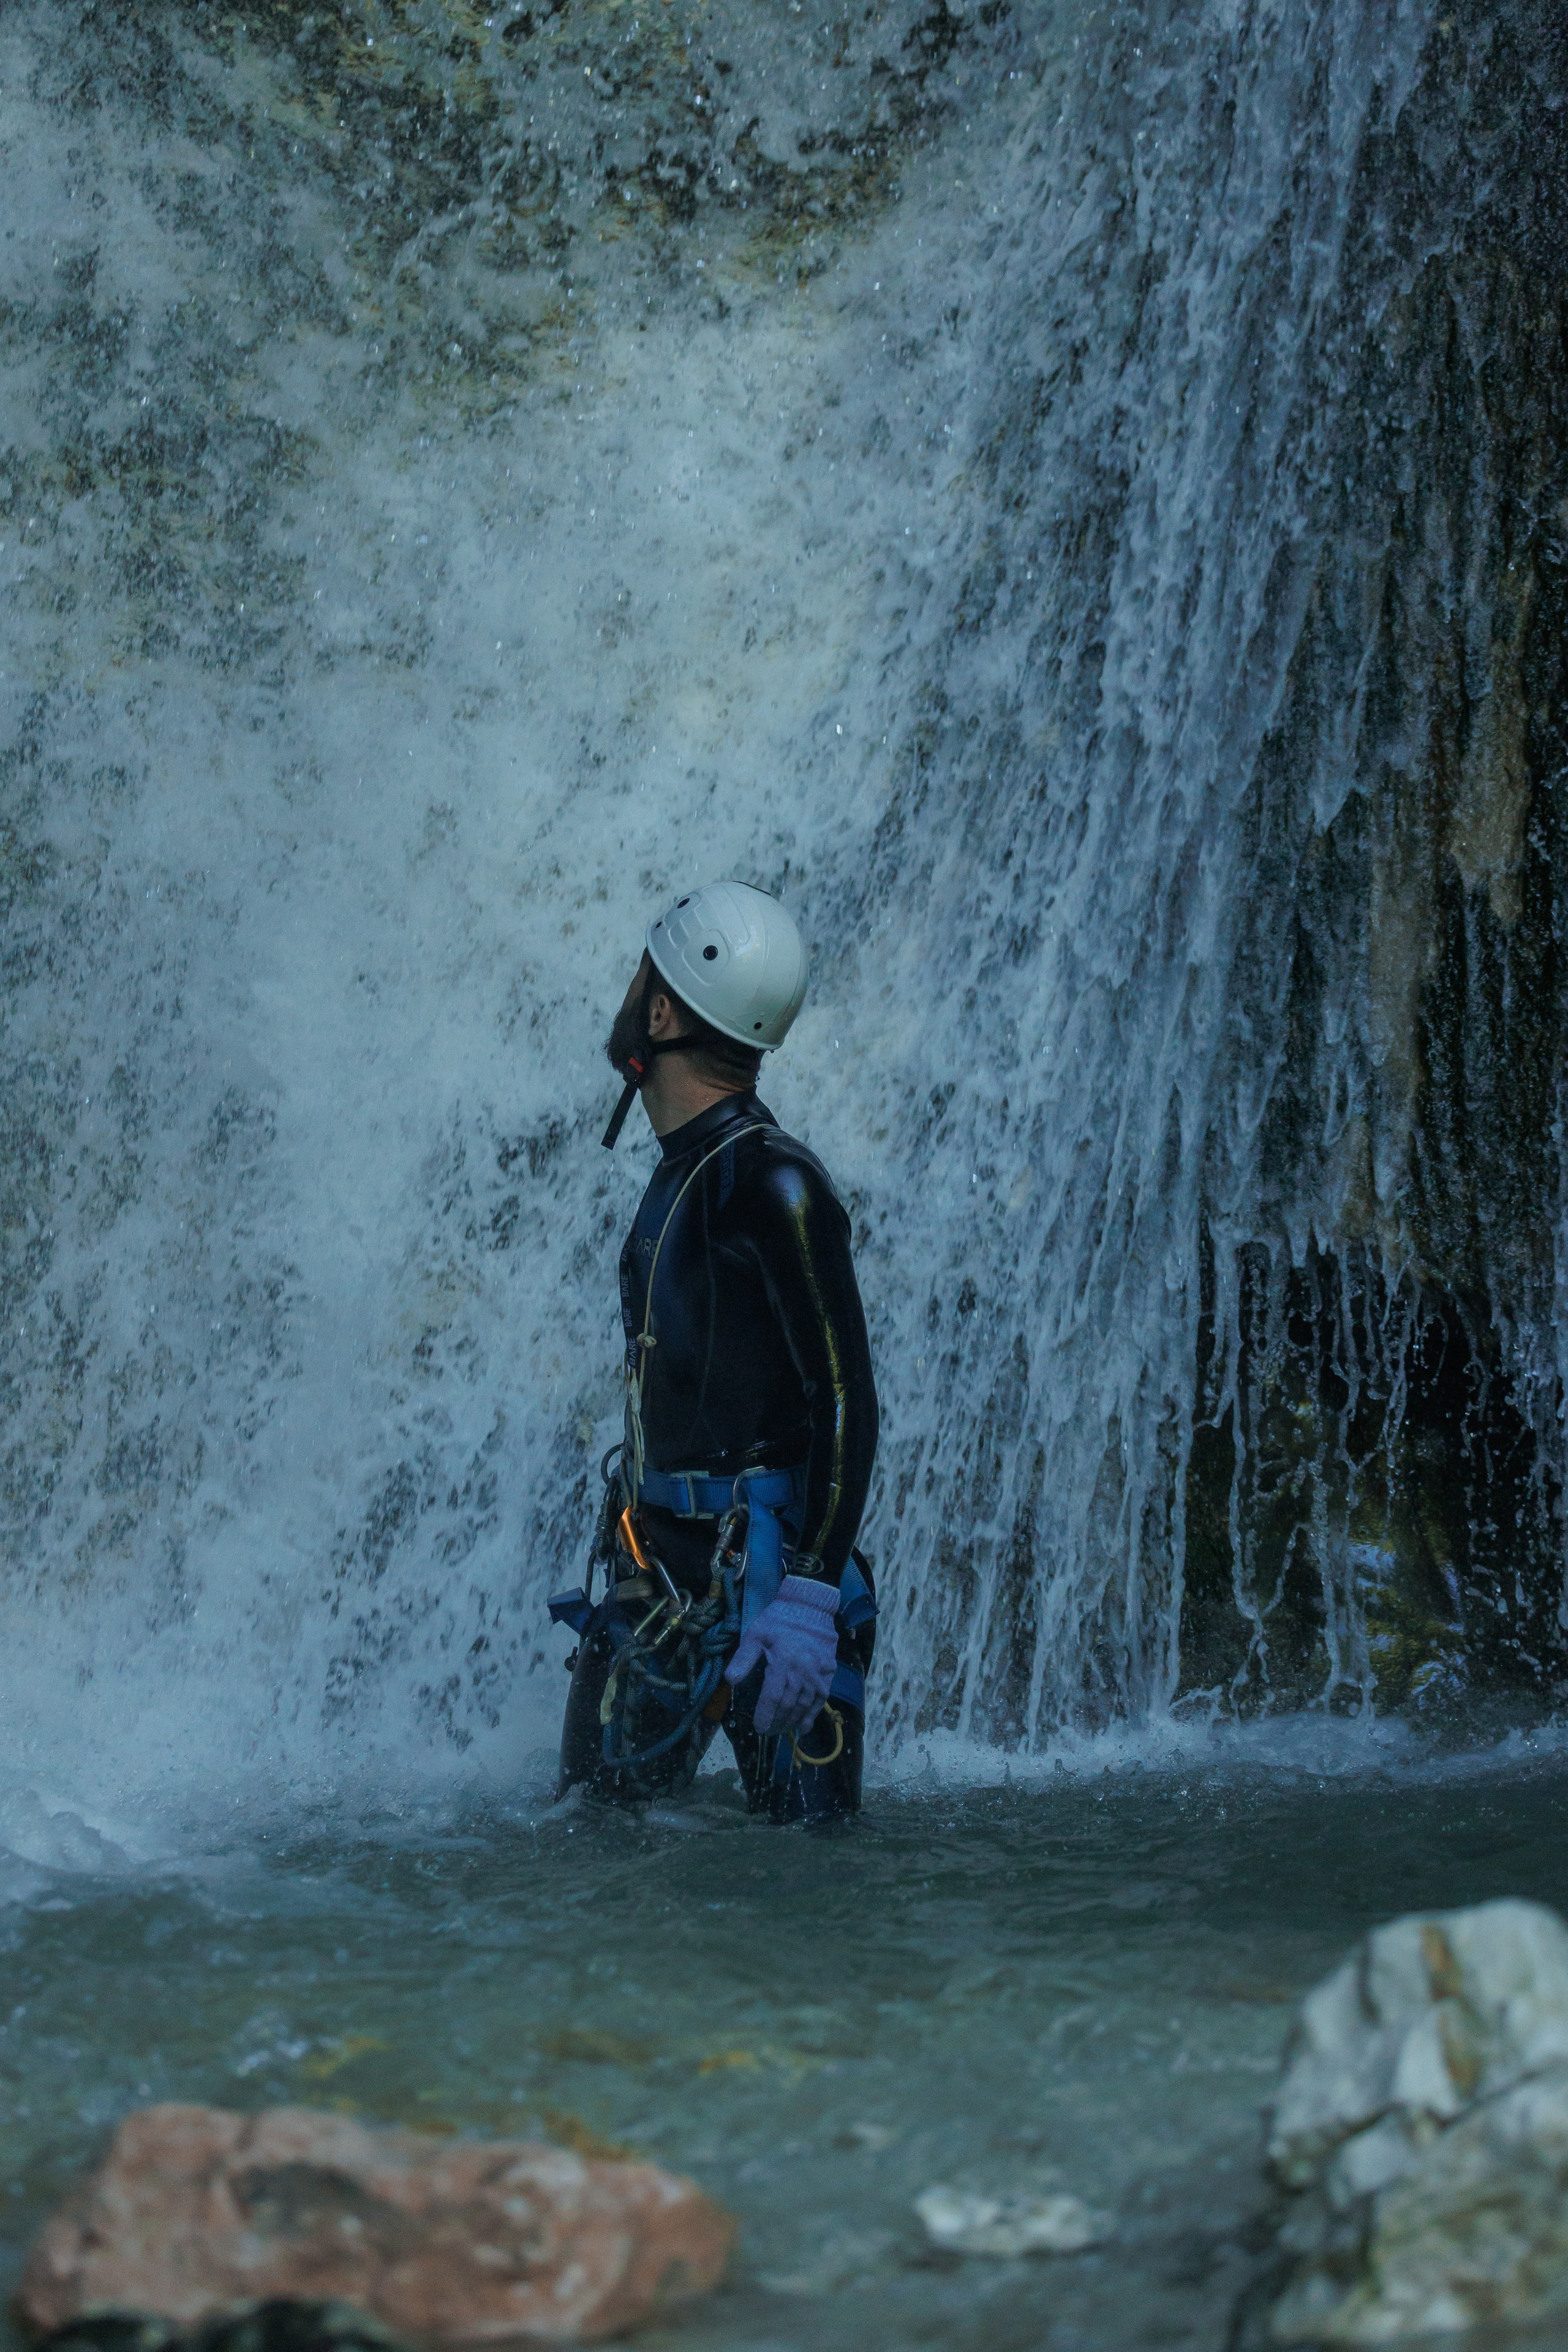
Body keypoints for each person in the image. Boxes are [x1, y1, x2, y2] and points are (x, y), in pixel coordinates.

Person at [550, 880, 880, 1822]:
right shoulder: (690, 1169)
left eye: (640, 979)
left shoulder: (775, 1183)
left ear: (661, 1013)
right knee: (586, 1842)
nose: (628, 995)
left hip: (769, 1584)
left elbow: (846, 1400)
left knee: (809, 1872)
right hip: (658, 1571)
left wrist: (811, 1594)